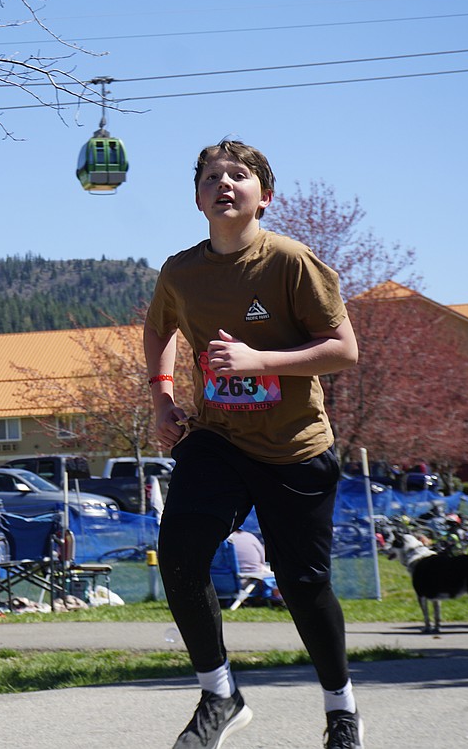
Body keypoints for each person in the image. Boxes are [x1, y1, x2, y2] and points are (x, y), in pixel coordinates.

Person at [143, 140, 362, 749]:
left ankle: (341, 712)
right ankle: (219, 695)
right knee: (181, 554)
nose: (224, 184)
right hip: (217, 437)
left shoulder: (292, 262)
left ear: (264, 196)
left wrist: (258, 358)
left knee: (302, 581)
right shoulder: (180, 272)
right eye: (212, 177)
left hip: (294, 445)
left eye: (239, 176)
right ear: (198, 199)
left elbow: (343, 350)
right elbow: (159, 326)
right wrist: (163, 397)